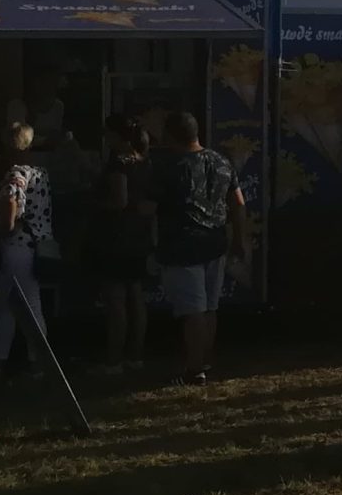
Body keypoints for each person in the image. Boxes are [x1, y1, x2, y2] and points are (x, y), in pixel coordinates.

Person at [149, 112, 246, 386]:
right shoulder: (221, 161)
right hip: (215, 243)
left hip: (182, 246)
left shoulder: (169, 167)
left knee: (193, 311)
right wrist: (239, 240)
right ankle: (204, 361)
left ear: (170, 136)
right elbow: (238, 204)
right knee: (210, 308)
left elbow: (147, 207)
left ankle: (194, 371)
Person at [0, 122, 56, 372]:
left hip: (16, 245)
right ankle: (11, 362)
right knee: (16, 306)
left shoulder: (16, 173)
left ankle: (38, 364)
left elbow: (10, 201)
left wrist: (3, 229)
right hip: (38, 245)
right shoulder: (40, 173)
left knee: (24, 307)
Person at [92, 117, 153, 374]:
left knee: (115, 300)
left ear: (119, 137)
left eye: (108, 134)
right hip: (139, 236)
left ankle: (113, 359)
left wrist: (95, 204)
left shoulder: (118, 163)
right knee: (136, 296)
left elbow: (120, 200)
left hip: (116, 237)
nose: (106, 139)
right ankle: (135, 356)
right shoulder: (143, 161)